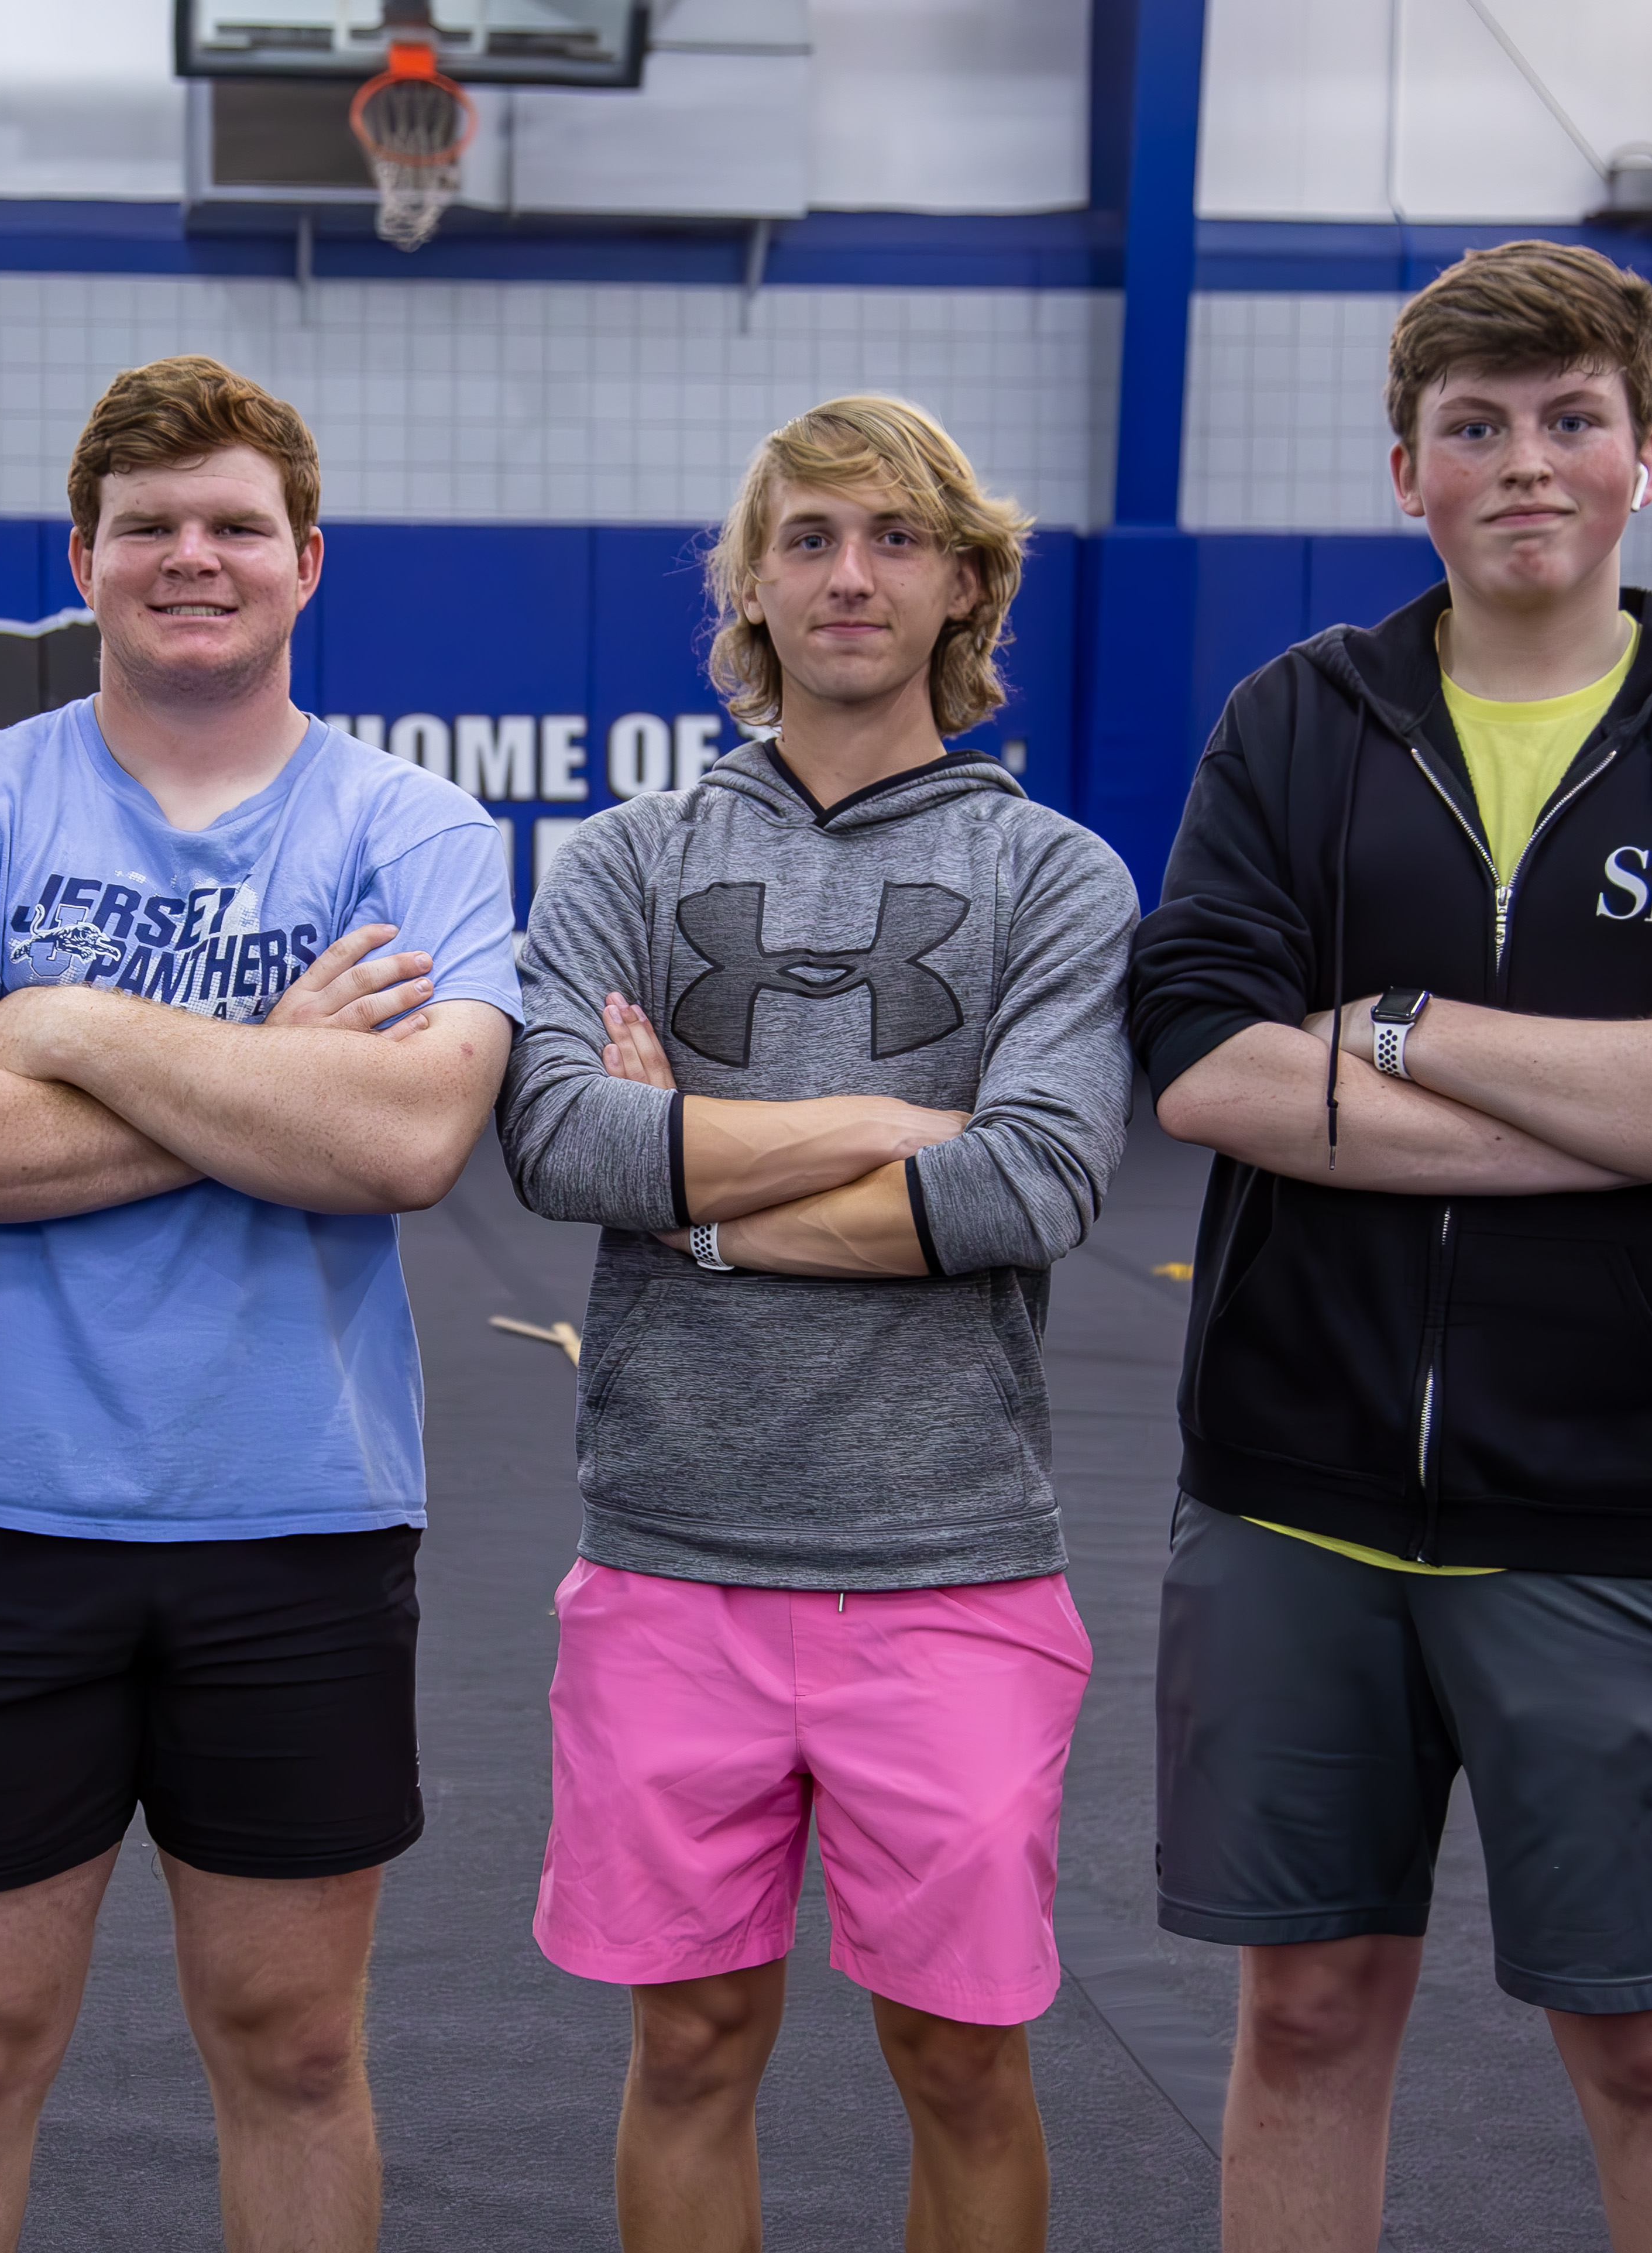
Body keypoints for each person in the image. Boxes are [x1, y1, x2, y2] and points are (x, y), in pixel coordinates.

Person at [1128, 241, 1652, 2253]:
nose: (1524, 463)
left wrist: (1393, 1021)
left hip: (1614, 1509)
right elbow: (1206, 1073)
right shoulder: (1296, 724)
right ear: (1407, 471)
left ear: (1644, 457)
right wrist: (1609, 1112)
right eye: (1471, 427)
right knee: (1303, 2010)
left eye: (1571, 419)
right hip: (1293, 1496)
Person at [0, 355, 519, 2253]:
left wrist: (70, 1032)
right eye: (148, 528)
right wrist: (260, 1075)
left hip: (298, 1518)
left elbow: (408, 1141)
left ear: (306, 561)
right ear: (86, 556)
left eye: (230, 526)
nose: (189, 557)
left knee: (291, 2047)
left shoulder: (414, 830)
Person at [499, 395, 1138, 2253]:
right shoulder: (623, 856)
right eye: (805, 538)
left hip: (947, 1565)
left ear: (962, 582)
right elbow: (553, 1136)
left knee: (959, 2059)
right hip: (669, 1555)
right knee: (689, 2042)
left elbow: (1026, 1188)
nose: (847, 574)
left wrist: (687, 1187)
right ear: (750, 585)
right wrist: (873, 1126)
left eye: (890, 538)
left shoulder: (1057, 877)